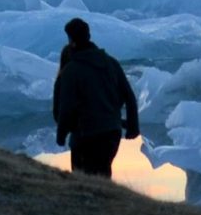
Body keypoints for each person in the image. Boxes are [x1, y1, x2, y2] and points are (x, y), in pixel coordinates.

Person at [51, 16, 139, 178]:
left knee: (83, 180)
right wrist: (133, 127)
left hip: (86, 135)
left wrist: (61, 135)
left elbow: (66, 107)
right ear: (89, 36)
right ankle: (108, 202)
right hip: (112, 134)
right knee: (103, 173)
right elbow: (129, 97)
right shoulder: (111, 63)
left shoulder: (72, 70)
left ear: (71, 40)